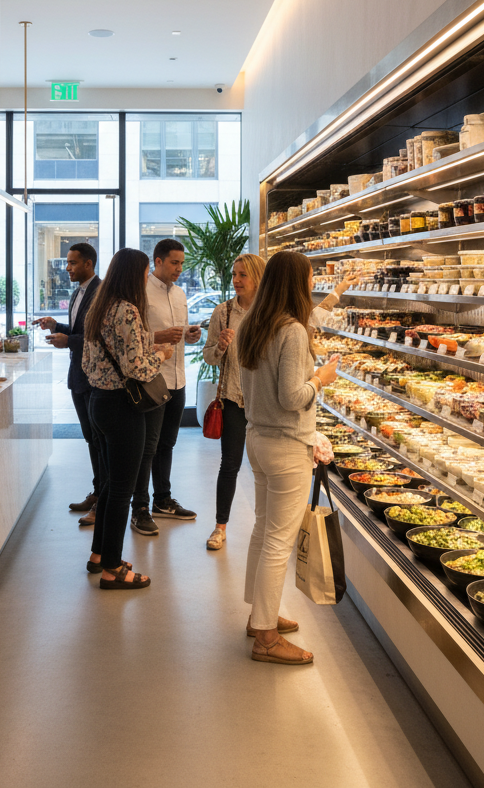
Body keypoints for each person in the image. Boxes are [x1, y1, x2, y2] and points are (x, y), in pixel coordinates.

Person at [238, 250, 340, 665]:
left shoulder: (252, 324)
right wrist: (321, 378)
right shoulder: (293, 331)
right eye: (311, 277)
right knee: (278, 541)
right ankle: (264, 636)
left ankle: (258, 617)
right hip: (286, 446)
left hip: (257, 439)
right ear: (297, 282)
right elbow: (292, 397)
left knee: (264, 532)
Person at [82, 248, 173, 589]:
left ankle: (98, 555)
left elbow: (89, 363)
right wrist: (161, 354)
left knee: (108, 484)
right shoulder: (128, 311)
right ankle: (112, 569)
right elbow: (137, 366)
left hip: (99, 403)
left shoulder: (99, 308)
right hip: (124, 408)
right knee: (123, 491)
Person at [129, 238, 201, 536]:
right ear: (157, 261)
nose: (179, 268)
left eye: (182, 263)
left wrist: (190, 334)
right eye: (174, 263)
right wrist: (160, 335)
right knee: (147, 448)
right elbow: (135, 335)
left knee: (167, 444)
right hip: (151, 379)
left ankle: (162, 500)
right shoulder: (140, 292)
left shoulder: (182, 293)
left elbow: (179, 334)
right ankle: (140, 507)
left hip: (177, 379)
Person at [200, 252, 266, 551]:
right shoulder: (223, 313)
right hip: (233, 399)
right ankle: (219, 527)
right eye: (234, 274)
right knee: (230, 464)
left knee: (266, 467)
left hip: (266, 402)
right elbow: (209, 356)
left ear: (258, 278)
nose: (236, 280)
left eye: (243, 275)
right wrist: (220, 348)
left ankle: (268, 526)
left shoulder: (269, 312)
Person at [37, 243, 102, 526]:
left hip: (94, 376)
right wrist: (57, 327)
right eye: (67, 262)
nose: (67, 268)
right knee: (90, 438)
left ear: (88, 264)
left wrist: (68, 341)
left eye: (72, 263)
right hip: (78, 376)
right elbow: (79, 332)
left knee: (100, 440)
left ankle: (103, 499)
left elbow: (99, 338)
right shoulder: (77, 292)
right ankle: (99, 491)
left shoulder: (101, 293)